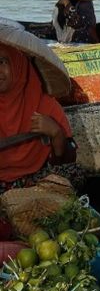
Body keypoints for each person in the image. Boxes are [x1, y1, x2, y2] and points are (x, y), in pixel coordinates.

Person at [0, 42, 80, 192]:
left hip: (38, 181)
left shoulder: (45, 105)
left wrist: (56, 133)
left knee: (73, 174)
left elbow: (68, 160)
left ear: (18, 66)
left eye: (2, 62)